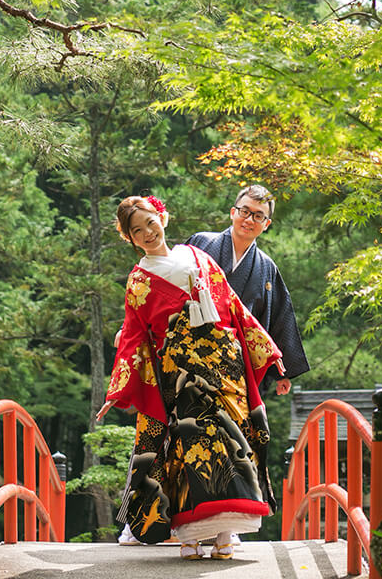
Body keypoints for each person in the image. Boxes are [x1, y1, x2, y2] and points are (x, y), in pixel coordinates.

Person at [97, 194, 285, 561]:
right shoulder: (138, 281)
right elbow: (135, 336)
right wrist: (117, 390)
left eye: (150, 222)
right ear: (130, 239)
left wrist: (268, 349)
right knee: (188, 450)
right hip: (180, 374)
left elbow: (234, 306)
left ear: (162, 217)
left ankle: (225, 534)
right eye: (137, 231)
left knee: (234, 444)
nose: (148, 232)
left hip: (223, 364)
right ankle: (189, 537)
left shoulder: (198, 256)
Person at [187, 184, 309, 396]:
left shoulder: (266, 267)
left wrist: (282, 371)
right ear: (233, 212)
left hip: (238, 365)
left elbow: (280, 316)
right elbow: (167, 286)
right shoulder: (200, 243)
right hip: (192, 352)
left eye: (258, 216)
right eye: (245, 211)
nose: (249, 219)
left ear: (267, 224)